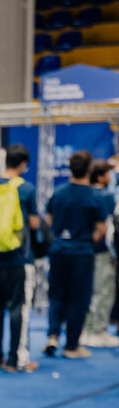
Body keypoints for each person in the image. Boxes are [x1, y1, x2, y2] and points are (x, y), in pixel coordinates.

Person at [0, 144, 40, 372]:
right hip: (17, 257)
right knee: (16, 308)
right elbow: (33, 223)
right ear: (23, 164)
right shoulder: (26, 189)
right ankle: (14, 360)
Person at [43, 151, 109, 358]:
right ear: (89, 169)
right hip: (82, 253)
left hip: (59, 251)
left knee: (56, 296)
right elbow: (101, 229)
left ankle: (53, 335)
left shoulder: (58, 192)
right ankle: (72, 346)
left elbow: (49, 221)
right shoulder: (93, 197)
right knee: (78, 299)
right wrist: (87, 240)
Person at [81, 160, 119, 347]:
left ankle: (87, 329)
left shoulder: (85, 193)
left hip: (85, 250)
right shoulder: (106, 196)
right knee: (103, 290)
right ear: (101, 176)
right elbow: (106, 227)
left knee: (88, 290)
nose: (111, 177)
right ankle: (97, 331)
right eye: (108, 173)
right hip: (101, 250)